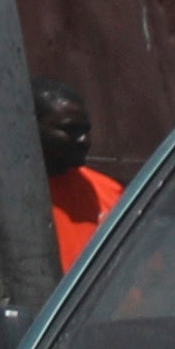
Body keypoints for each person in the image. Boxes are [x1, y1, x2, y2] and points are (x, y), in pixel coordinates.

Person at [39, 84, 114, 271]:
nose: (84, 140)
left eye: (85, 130)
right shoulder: (5, 203)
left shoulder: (109, 192)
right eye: (69, 129)